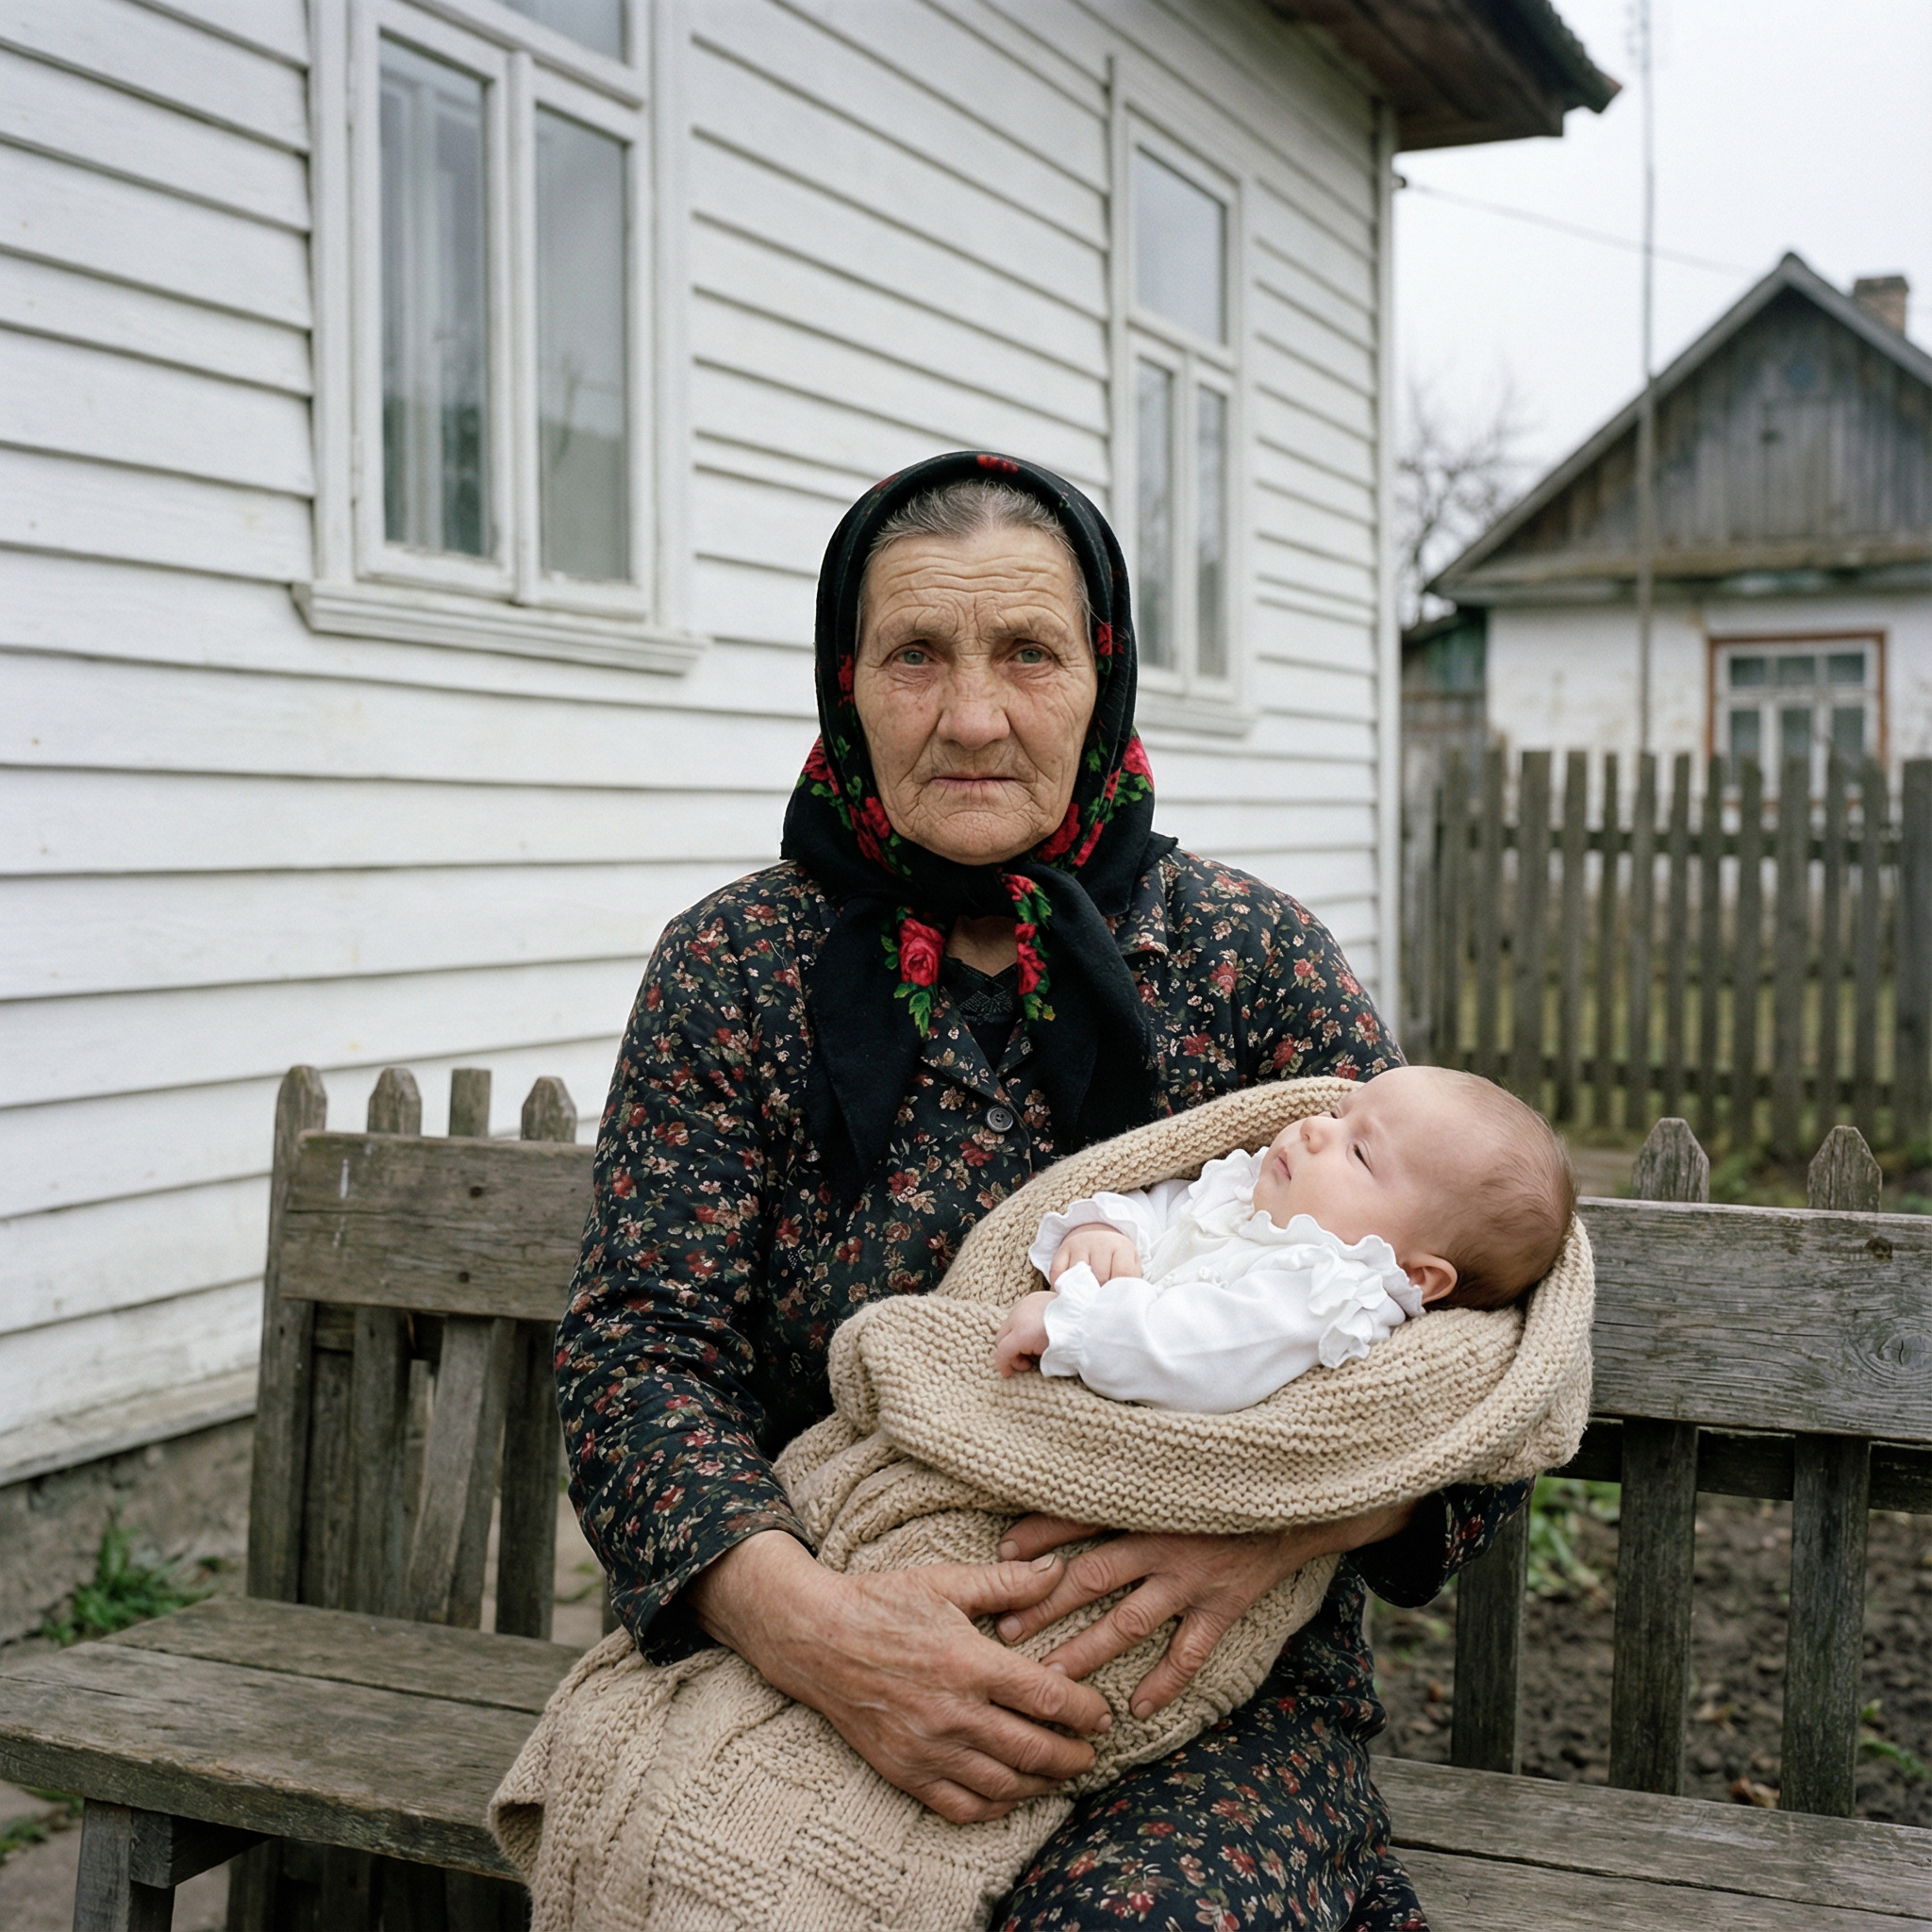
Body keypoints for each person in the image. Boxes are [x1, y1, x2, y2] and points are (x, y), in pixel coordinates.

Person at [556, 449, 1528, 1931]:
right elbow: (635, 1359)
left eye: (1028, 653)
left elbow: (1487, 1353)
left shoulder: (1244, 960)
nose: (973, 717)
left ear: (1105, 677)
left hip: (1208, 1688)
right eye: (915, 656)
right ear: (847, 681)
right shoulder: (734, 972)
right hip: (830, 1637)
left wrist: (1274, 1524)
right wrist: (825, 1636)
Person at [993, 1065, 1575, 1412]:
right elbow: (1169, 1205)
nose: (1317, 1127)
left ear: (1417, 1276)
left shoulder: (1329, 1294)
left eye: (1360, 1151)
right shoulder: (1250, 1188)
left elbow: (1202, 1354)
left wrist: (1075, 1326)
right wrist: (1108, 1228)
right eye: (1340, 1111)